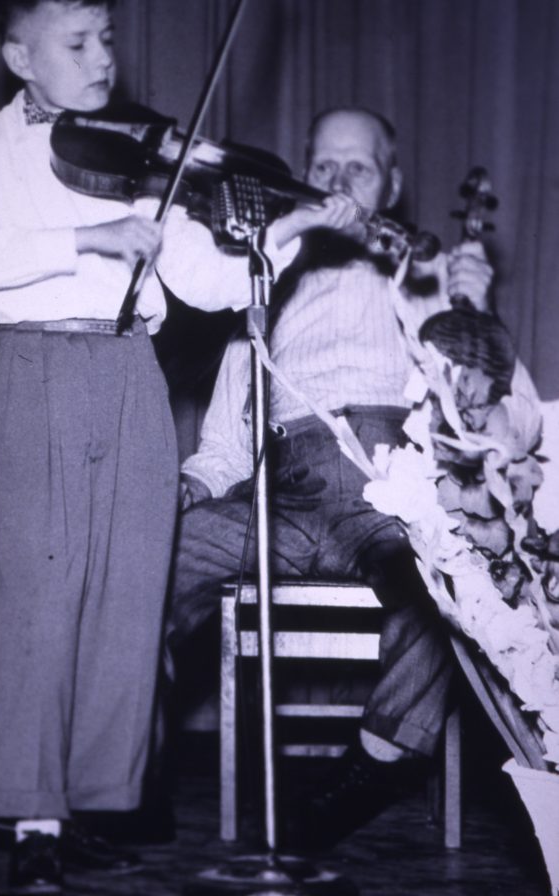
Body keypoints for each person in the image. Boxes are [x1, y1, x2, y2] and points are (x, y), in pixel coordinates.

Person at [0, 1, 298, 891]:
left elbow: (204, 281)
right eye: (77, 43)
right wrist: (85, 238)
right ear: (21, 56)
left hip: (133, 373)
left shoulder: (135, 157)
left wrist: (282, 235)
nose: (102, 58)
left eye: (107, 39)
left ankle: (87, 808)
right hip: (37, 366)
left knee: (127, 606)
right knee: (36, 604)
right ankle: (33, 823)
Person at [166, 107, 539, 847]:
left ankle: (372, 764)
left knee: (456, 583)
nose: (337, 182)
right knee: (147, 560)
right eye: (323, 167)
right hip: (279, 490)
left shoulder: (431, 278)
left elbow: (518, 421)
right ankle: (123, 765)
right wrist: (192, 489)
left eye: (357, 168)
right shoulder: (262, 271)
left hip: (391, 484)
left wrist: (478, 311)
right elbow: (223, 447)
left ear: (391, 186)